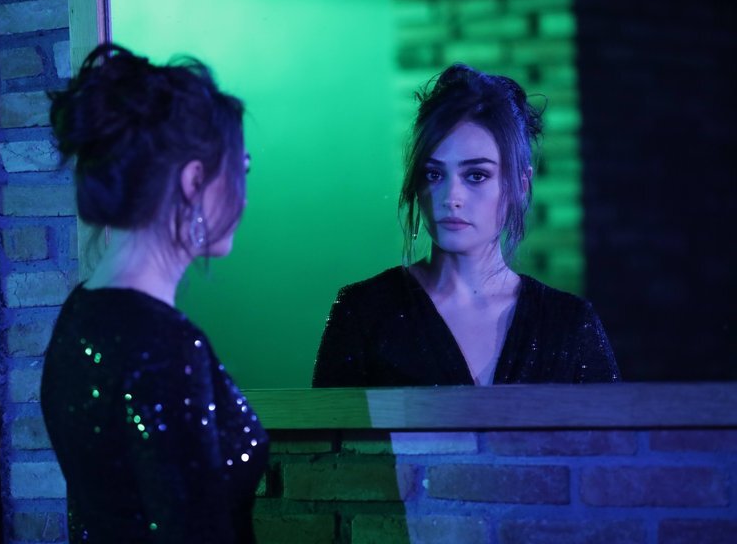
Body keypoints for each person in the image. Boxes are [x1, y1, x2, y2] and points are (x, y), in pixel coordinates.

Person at [40, 44, 267, 543]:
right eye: (241, 171)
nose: (245, 196)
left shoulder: (80, 314)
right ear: (194, 180)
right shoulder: (163, 347)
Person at [312, 63, 620, 388]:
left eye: (476, 175)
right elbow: (328, 421)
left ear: (520, 184)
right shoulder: (365, 313)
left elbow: (611, 423)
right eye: (433, 174)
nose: (451, 197)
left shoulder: (569, 324)